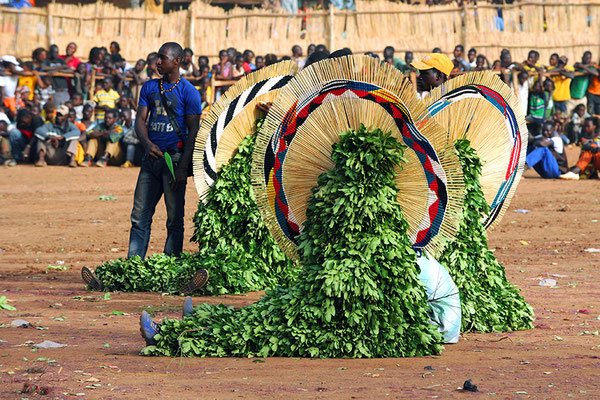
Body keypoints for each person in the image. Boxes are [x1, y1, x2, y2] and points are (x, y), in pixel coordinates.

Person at [128, 42, 202, 260]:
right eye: (158, 58)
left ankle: (170, 265)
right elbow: (140, 121)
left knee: (174, 220)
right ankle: (134, 266)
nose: (157, 62)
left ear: (177, 61)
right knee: (139, 217)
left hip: (175, 160)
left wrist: (182, 169)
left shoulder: (189, 92)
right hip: (150, 161)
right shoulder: (149, 88)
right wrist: (147, 144)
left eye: (163, 58)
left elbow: (193, 133)